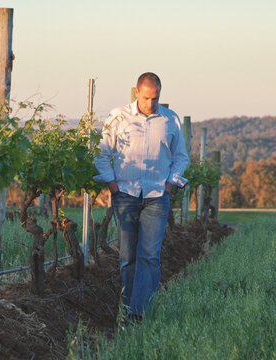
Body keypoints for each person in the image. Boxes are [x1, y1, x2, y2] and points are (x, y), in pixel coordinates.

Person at [94, 72, 189, 318]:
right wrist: (112, 184)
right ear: (137, 92)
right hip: (125, 194)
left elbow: (181, 158)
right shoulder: (118, 116)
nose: (150, 103)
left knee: (149, 256)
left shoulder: (170, 120)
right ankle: (129, 309)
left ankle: (140, 313)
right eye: (146, 98)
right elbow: (102, 152)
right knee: (127, 257)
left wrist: (169, 185)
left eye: (155, 98)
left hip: (158, 196)